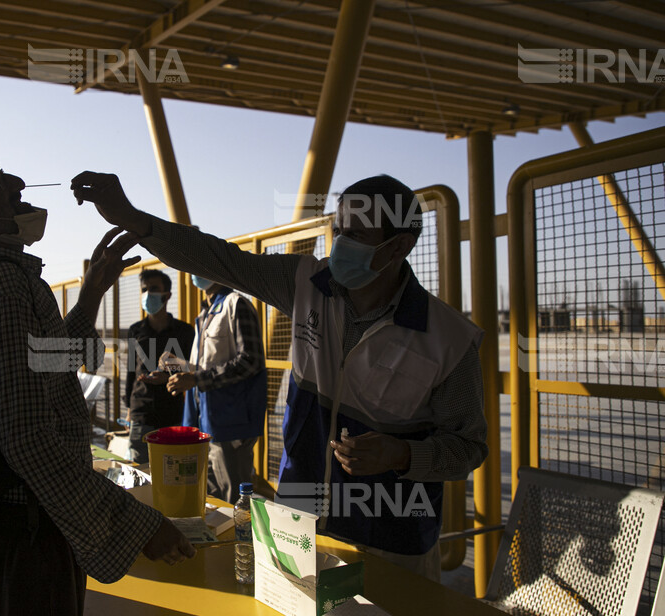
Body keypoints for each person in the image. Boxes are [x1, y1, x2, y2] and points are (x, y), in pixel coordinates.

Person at [70, 171, 488, 581]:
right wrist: (134, 218)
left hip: (388, 535)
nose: (340, 244)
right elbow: (222, 260)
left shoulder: (448, 339)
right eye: (337, 230)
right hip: (300, 518)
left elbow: (468, 448)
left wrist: (403, 456)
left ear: (399, 246)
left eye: (357, 235)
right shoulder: (307, 284)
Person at [0, 127, 194, 616]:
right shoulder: (4, 285)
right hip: (24, 538)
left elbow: (44, 365)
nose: (17, 182)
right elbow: (28, 438)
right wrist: (137, 525)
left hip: (5, 530)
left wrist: (92, 294)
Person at [162, 275, 266, 505]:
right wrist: (180, 368)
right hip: (206, 422)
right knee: (211, 499)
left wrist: (196, 378)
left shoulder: (236, 305)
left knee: (235, 501)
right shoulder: (205, 314)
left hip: (231, 423)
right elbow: (210, 365)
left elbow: (251, 361)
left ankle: (243, 541)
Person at [123, 269, 194, 464]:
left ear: (167, 295)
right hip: (141, 415)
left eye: (153, 289)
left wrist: (169, 377)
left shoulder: (184, 331)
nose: (147, 294)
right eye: (144, 289)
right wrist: (129, 410)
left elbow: (193, 369)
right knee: (140, 473)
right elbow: (130, 371)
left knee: (174, 473)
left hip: (173, 414)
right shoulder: (135, 331)